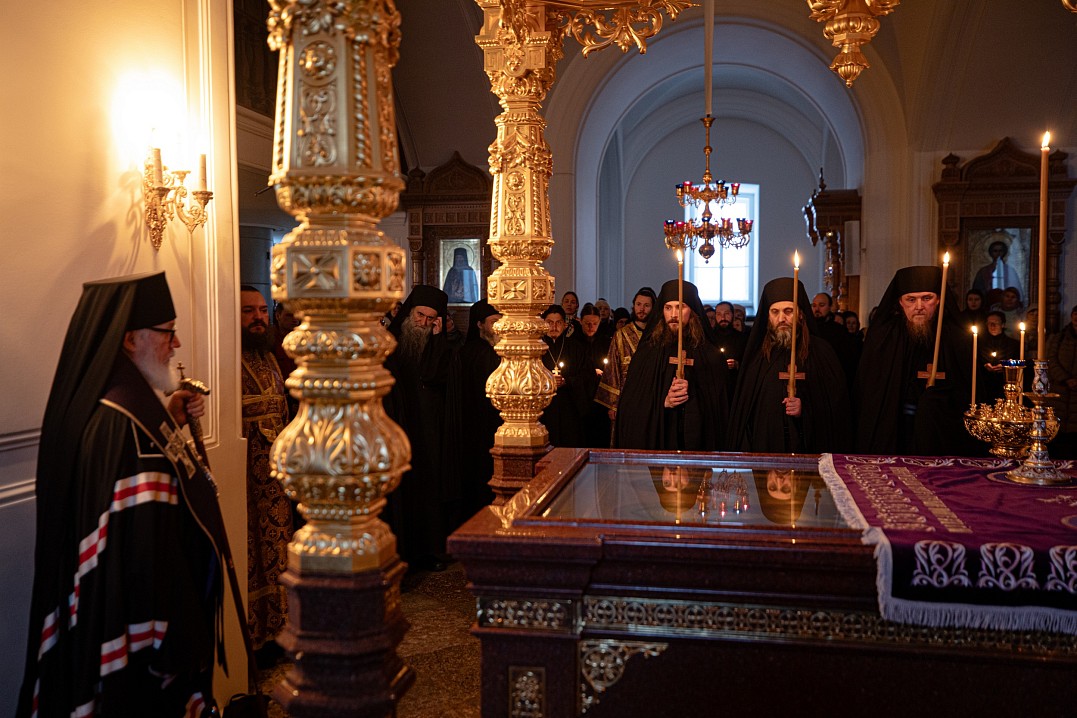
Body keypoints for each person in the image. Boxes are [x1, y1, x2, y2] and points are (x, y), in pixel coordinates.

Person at [19, 272, 223, 717]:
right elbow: (143, 551)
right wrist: (171, 640)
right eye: (168, 332)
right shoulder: (121, 419)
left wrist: (170, 418)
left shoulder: (127, 404)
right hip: (137, 633)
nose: (176, 344)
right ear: (131, 339)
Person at [854, 266, 977, 456]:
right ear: (900, 302)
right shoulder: (885, 338)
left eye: (927, 298)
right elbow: (872, 394)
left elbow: (966, 393)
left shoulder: (956, 337)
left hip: (943, 436)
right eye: (911, 299)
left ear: (939, 300)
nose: (919, 306)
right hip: (896, 432)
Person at [728, 278, 851, 454]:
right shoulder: (758, 355)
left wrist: (805, 409)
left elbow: (836, 407)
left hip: (808, 449)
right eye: (775, 312)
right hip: (766, 448)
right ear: (767, 316)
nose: (781, 318)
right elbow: (745, 411)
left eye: (788, 311)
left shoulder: (821, 351)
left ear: (800, 314)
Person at [384, 285, 456, 570]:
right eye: (420, 316)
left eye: (430, 319)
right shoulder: (391, 340)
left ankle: (430, 550)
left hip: (428, 427)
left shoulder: (439, 344)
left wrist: (437, 339)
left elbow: (433, 375)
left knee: (429, 484)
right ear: (409, 312)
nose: (424, 323)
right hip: (399, 422)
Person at [239, 286, 293, 659]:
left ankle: (279, 629)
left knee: (279, 548)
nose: (258, 317)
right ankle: (252, 635)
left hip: (275, 479)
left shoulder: (270, 356)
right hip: (244, 479)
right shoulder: (227, 362)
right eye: (248, 311)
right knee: (251, 553)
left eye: (261, 310)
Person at [615, 279, 728, 450]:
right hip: (661, 443)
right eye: (668, 308)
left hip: (698, 446)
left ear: (692, 311)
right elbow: (631, 407)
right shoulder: (647, 352)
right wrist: (664, 402)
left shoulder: (710, 355)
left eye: (680, 307)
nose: (674, 315)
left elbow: (720, 409)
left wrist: (692, 394)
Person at [448, 298, 502, 518]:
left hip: (496, 424)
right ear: (479, 325)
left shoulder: (501, 351)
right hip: (476, 426)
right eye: (493, 322)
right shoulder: (470, 352)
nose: (498, 327)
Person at [595, 287, 656, 434]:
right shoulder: (621, 335)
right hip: (626, 399)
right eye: (638, 304)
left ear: (653, 308)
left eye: (646, 305)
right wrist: (613, 404)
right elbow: (612, 369)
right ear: (633, 306)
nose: (642, 309)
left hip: (652, 397)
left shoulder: (658, 334)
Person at [539, 304, 589, 447]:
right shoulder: (537, 348)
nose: (554, 327)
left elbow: (587, 376)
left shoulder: (576, 347)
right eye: (550, 322)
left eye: (558, 322)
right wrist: (547, 381)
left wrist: (567, 381)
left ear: (565, 325)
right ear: (543, 324)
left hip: (570, 408)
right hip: (544, 410)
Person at [575, 303, 612, 447]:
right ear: (581, 321)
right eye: (587, 323)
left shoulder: (605, 342)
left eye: (595, 323)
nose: (591, 327)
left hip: (601, 396)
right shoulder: (575, 343)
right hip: (581, 397)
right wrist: (592, 372)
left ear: (599, 322)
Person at [1047, 304, 1077, 459]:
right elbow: (1051, 359)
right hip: (1060, 389)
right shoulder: (1059, 338)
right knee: (1058, 431)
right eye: (1075, 314)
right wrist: (1065, 378)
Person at [977, 310, 1020, 404]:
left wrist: (1006, 366)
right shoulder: (979, 344)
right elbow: (976, 362)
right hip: (984, 386)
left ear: (1003, 324)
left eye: (996, 323)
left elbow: (1018, 363)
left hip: (1005, 385)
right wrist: (985, 365)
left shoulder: (1013, 344)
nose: (992, 326)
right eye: (990, 323)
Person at [713, 300, 748, 400]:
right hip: (715, 387)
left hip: (735, 386)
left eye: (727, 314)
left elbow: (749, 364)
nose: (723, 318)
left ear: (733, 315)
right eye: (719, 314)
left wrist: (737, 364)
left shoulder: (743, 339)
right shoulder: (709, 339)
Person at [971, 240, 1022, 306]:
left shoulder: (1010, 271)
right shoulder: (983, 271)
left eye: (1000, 251)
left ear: (1004, 252)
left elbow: (1015, 291)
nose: (998, 253)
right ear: (991, 253)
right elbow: (977, 291)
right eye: (995, 251)